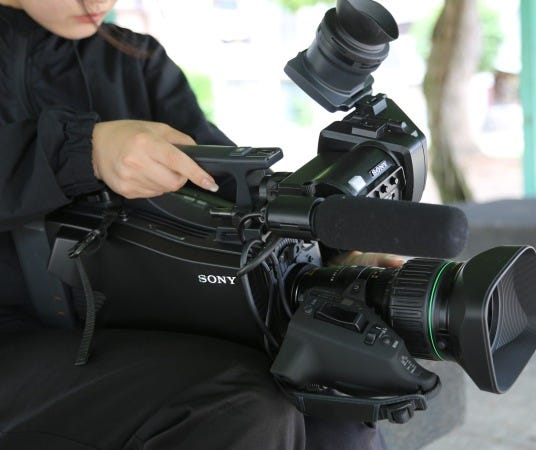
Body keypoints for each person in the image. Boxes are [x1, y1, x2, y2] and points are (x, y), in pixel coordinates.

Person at [0, 1, 403, 448]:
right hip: (17, 343)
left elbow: (227, 188)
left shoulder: (133, 61)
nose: (98, 2)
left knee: (330, 400)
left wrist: (329, 261)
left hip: (135, 321)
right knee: (245, 408)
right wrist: (83, 151)